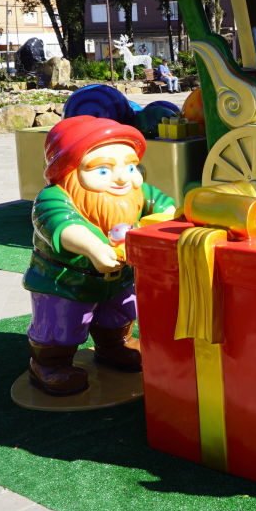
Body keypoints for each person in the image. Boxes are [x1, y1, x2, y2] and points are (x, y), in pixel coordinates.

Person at [23, 116, 176, 395]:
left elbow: (167, 208)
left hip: (119, 277)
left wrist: (157, 223)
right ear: (69, 170)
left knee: (119, 313)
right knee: (61, 324)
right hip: (65, 280)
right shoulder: (54, 197)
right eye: (103, 170)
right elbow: (62, 223)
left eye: (130, 166)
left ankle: (113, 346)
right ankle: (49, 364)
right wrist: (94, 248)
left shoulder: (136, 192)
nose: (122, 177)